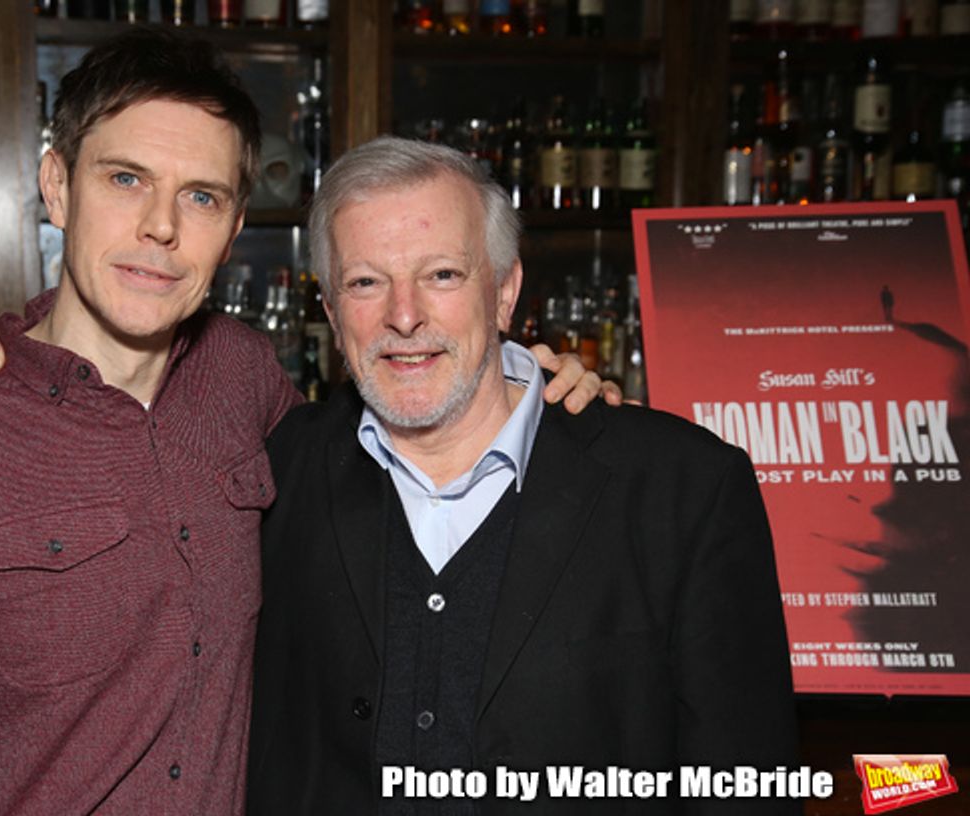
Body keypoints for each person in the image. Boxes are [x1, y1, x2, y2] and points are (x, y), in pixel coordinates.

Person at [0, 31, 604, 815]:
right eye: (125, 179)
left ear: (236, 228)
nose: (160, 228)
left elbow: (409, 433)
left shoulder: (242, 380)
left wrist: (533, 385)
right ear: (56, 185)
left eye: (199, 196)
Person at [245, 137, 800, 815]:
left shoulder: (686, 489)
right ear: (330, 313)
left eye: (443, 274)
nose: (404, 314)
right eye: (365, 282)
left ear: (505, 292)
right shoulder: (275, 472)